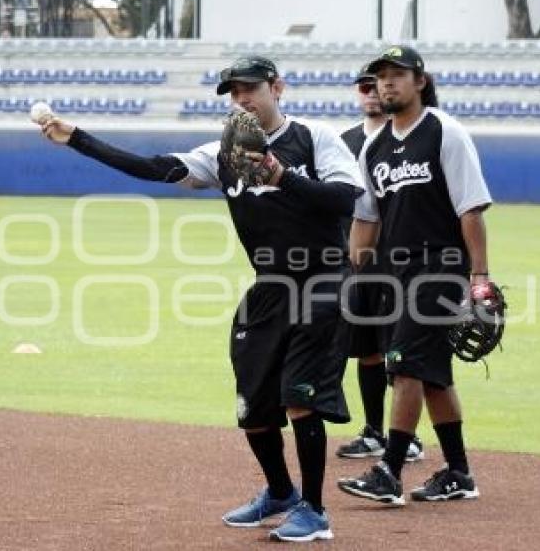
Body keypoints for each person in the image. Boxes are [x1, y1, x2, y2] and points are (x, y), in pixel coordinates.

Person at [37, 55, 375, 542]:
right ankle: (280, 493)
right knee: (253, 405)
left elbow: (346, 199)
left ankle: (315, 511)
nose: (241, 100)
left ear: (276, 88)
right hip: (269, 287)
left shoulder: (315, 137)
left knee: (299, 397)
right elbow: (155, 168)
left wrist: (284, 178)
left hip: (323, 280)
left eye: (250, 90)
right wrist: (78, 139)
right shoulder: (226, 153)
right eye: (234, 93)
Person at [337, 45, 494, 506]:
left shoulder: (445, 132)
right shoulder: (374, 146)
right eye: (380, 77)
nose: (386, 83)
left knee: (402, 364)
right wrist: (352, 273)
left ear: (420, 81)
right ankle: (459, 473)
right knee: (432, 376)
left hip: (440, 267)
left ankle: (388, 471)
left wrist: (479, 277)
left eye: (396, 75)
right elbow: (367, 219)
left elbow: (471, 210)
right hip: (393, 272)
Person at [335, 68, 423, 463]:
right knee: (367, 350)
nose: (372, 93)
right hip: (358, 264)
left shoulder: (406, 138)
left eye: (378, 85)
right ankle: (373, 431)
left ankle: (407, 438)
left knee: (401, 352)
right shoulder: (344, 143)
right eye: (365, 86)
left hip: (399, 263)